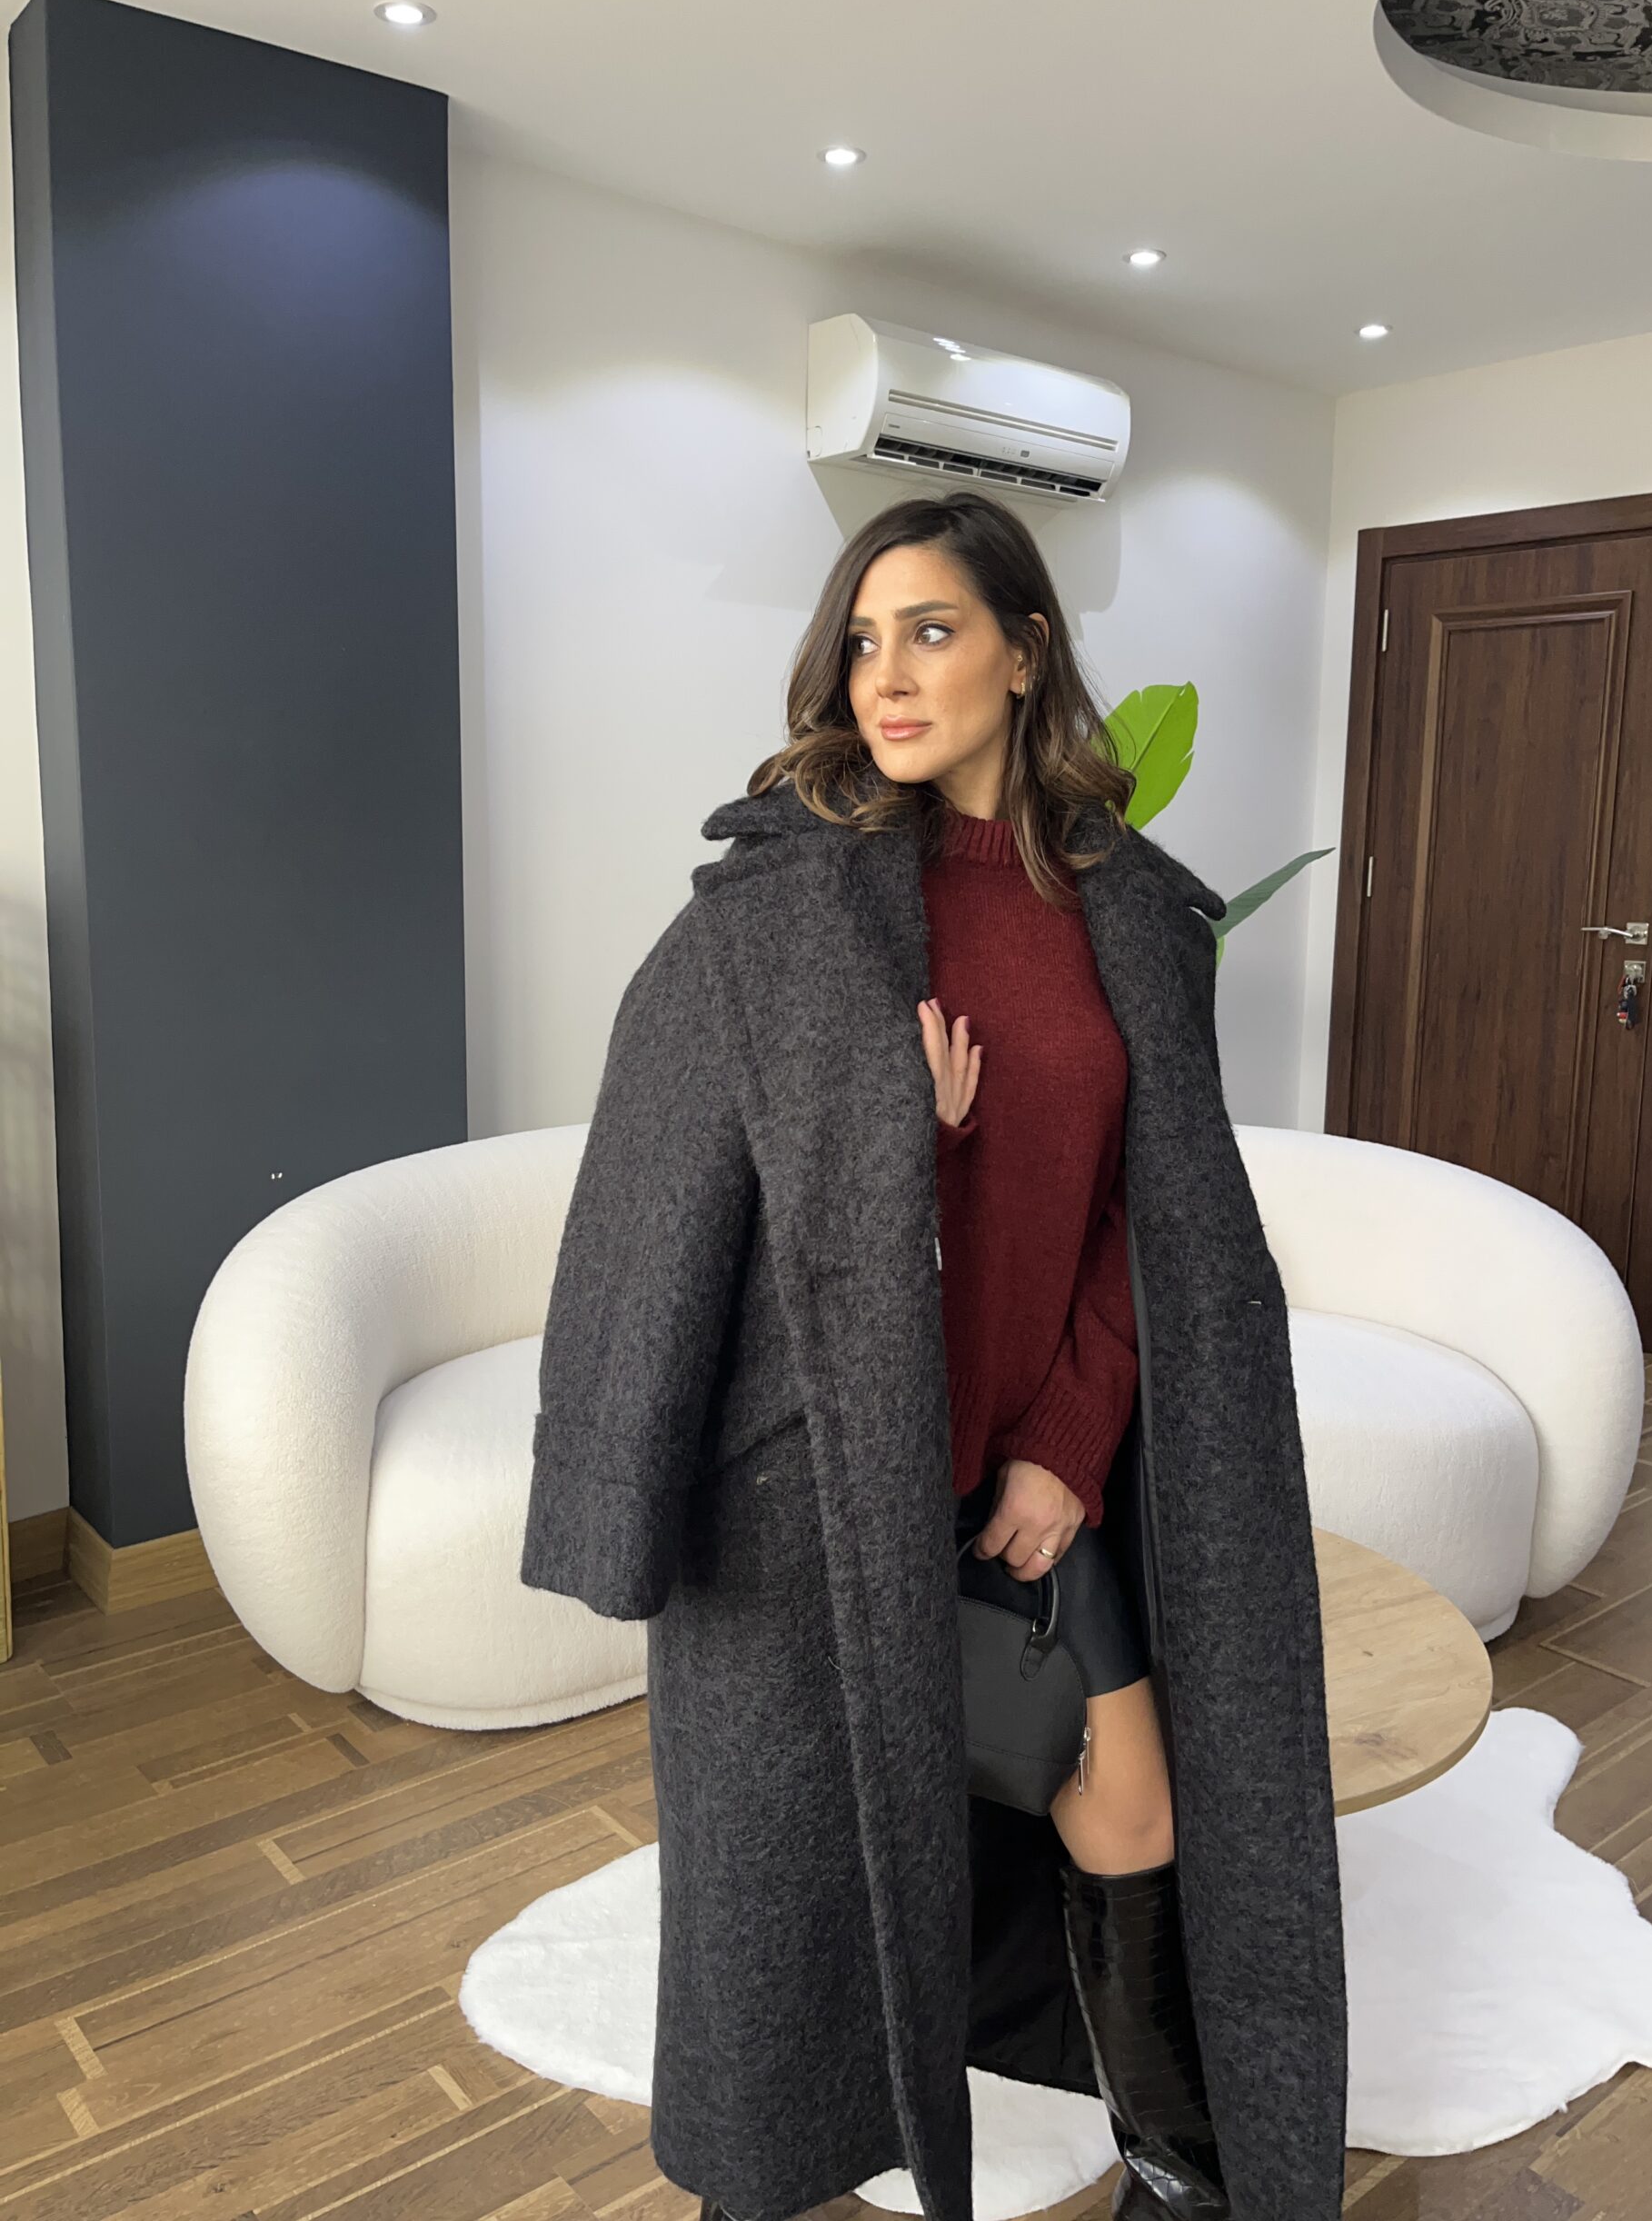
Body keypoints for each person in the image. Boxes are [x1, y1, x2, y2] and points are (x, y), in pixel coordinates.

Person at [521, 490, 1348, 2221]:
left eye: (933, 630)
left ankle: (1182, 2182)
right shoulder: (782, 914)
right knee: (795, 1891)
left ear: (1025, 653)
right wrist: (917, 1137)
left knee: (1134, 1800)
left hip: (1029, 1454)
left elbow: (1144, 1220)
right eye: (863, 639)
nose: (886, 676)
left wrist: (1070, 1439)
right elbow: (665, 1198)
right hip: (823, 1485)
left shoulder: (1130, 918)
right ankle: (768, 2183)